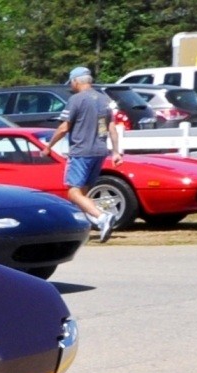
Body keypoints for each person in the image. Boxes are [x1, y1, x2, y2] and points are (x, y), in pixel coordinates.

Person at [50, 66, 123, 243]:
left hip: (81, 151)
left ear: (76, 81)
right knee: (82, 192)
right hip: (99, 151)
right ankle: (84, 228)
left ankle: (102, 217)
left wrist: (49, 146)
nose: (71, 86)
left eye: (72, 83)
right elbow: (110, 127)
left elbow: (64, 127)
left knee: (73, 193)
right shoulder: (104, 99)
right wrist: (115, 151)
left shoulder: (77, 99)